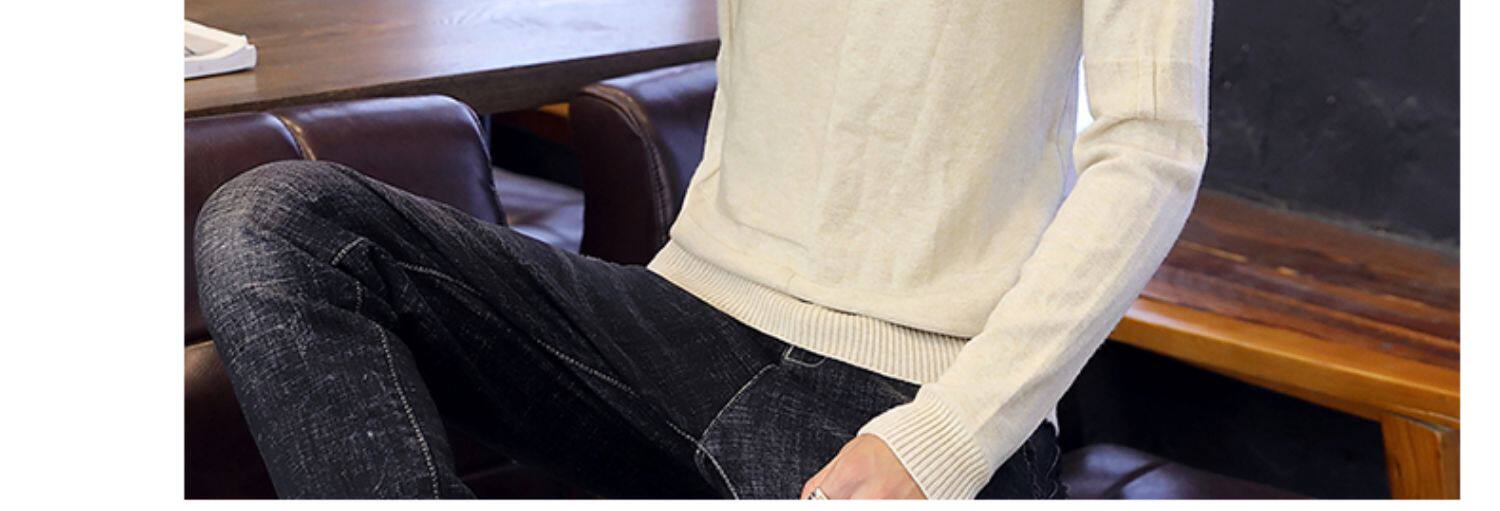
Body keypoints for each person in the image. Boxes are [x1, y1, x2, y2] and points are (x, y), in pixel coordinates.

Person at [195, 0, 1213, 500]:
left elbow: (1152, 152)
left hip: (910, 391)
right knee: (278, 222)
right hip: (682, 328)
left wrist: (942, 441)